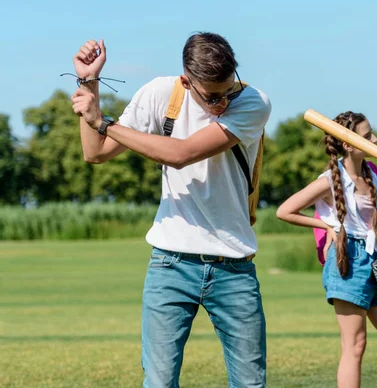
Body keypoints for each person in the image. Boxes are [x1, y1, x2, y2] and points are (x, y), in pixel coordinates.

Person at [70, 34, 271, 387]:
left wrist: (104, 122)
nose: (222, 103)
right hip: (170, 265)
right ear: (185, 81)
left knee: (250, 383)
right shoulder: (162, 94)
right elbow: (96, 152)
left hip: (234, 267)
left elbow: (181, 154)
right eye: (212, 97)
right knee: (159, 382)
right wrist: (89, 84)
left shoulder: (253, 102)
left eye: (228, 90)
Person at [276, 111, 377, 388]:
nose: (376, 139)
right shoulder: (329, 179)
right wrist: (329, 227)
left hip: (375, 262)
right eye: (368, 137)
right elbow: (285, 211)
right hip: (347, 262)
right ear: (350, 145)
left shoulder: (371, 173)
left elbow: (372, 222)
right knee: (355, 346)